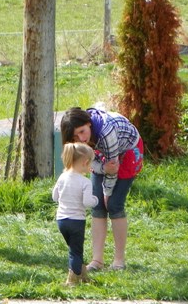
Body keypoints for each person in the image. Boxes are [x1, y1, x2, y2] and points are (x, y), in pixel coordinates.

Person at [60, 106, 143, 272]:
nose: (81, 138)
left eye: (82, 132)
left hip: (127, 152)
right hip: (101, 156)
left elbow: (113, 167)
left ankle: (119, 260)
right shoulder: (80, 140)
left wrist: (107, 192)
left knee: (114, 205)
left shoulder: (106, 131)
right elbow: (92, 164)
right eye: (75, 136)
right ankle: (97, 260)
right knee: (97, 205)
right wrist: (102, 169)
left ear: (89, 124)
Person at [52, 142, 99, 286]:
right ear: (85, 162)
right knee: (75, 251)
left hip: (61, 220)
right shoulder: (85, 182)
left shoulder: (62, 177)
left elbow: (55, 197)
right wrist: (96, 200)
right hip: (76, 221)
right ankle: (72, 279)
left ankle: (82, 273)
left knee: (74, 248)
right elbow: (87, 202)